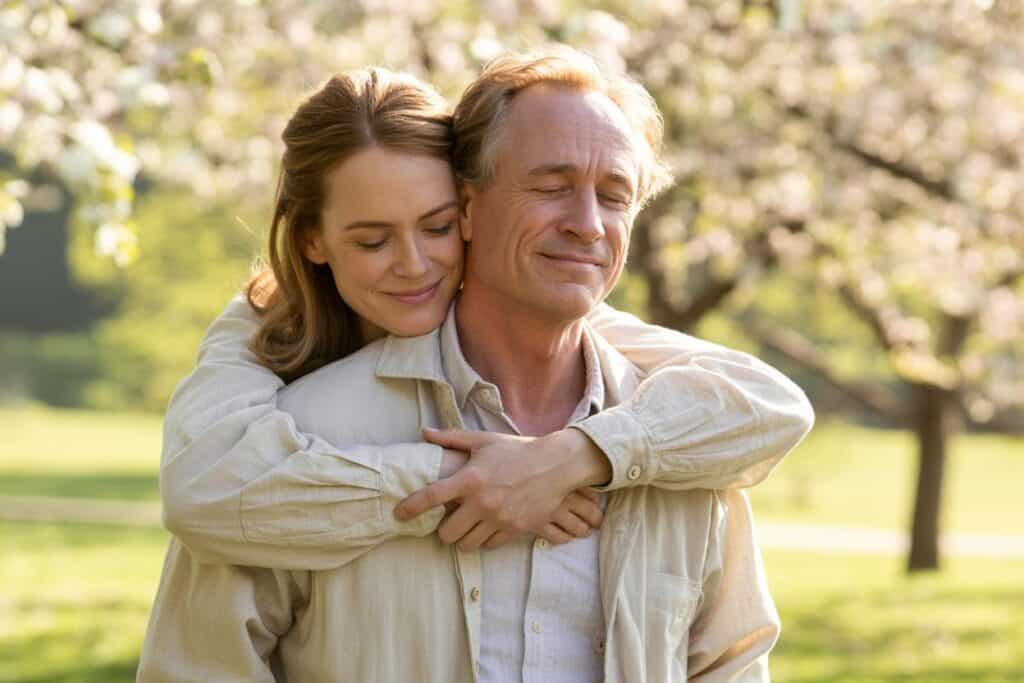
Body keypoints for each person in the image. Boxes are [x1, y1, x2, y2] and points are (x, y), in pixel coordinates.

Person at [139, 48, 812, 683]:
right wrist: (454, 480)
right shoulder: (286, 440)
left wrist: (578, 455)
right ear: (469, 206)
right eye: (551, 186)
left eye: (614, 195)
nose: (588, 223)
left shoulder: (686, 441)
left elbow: (731, 659)